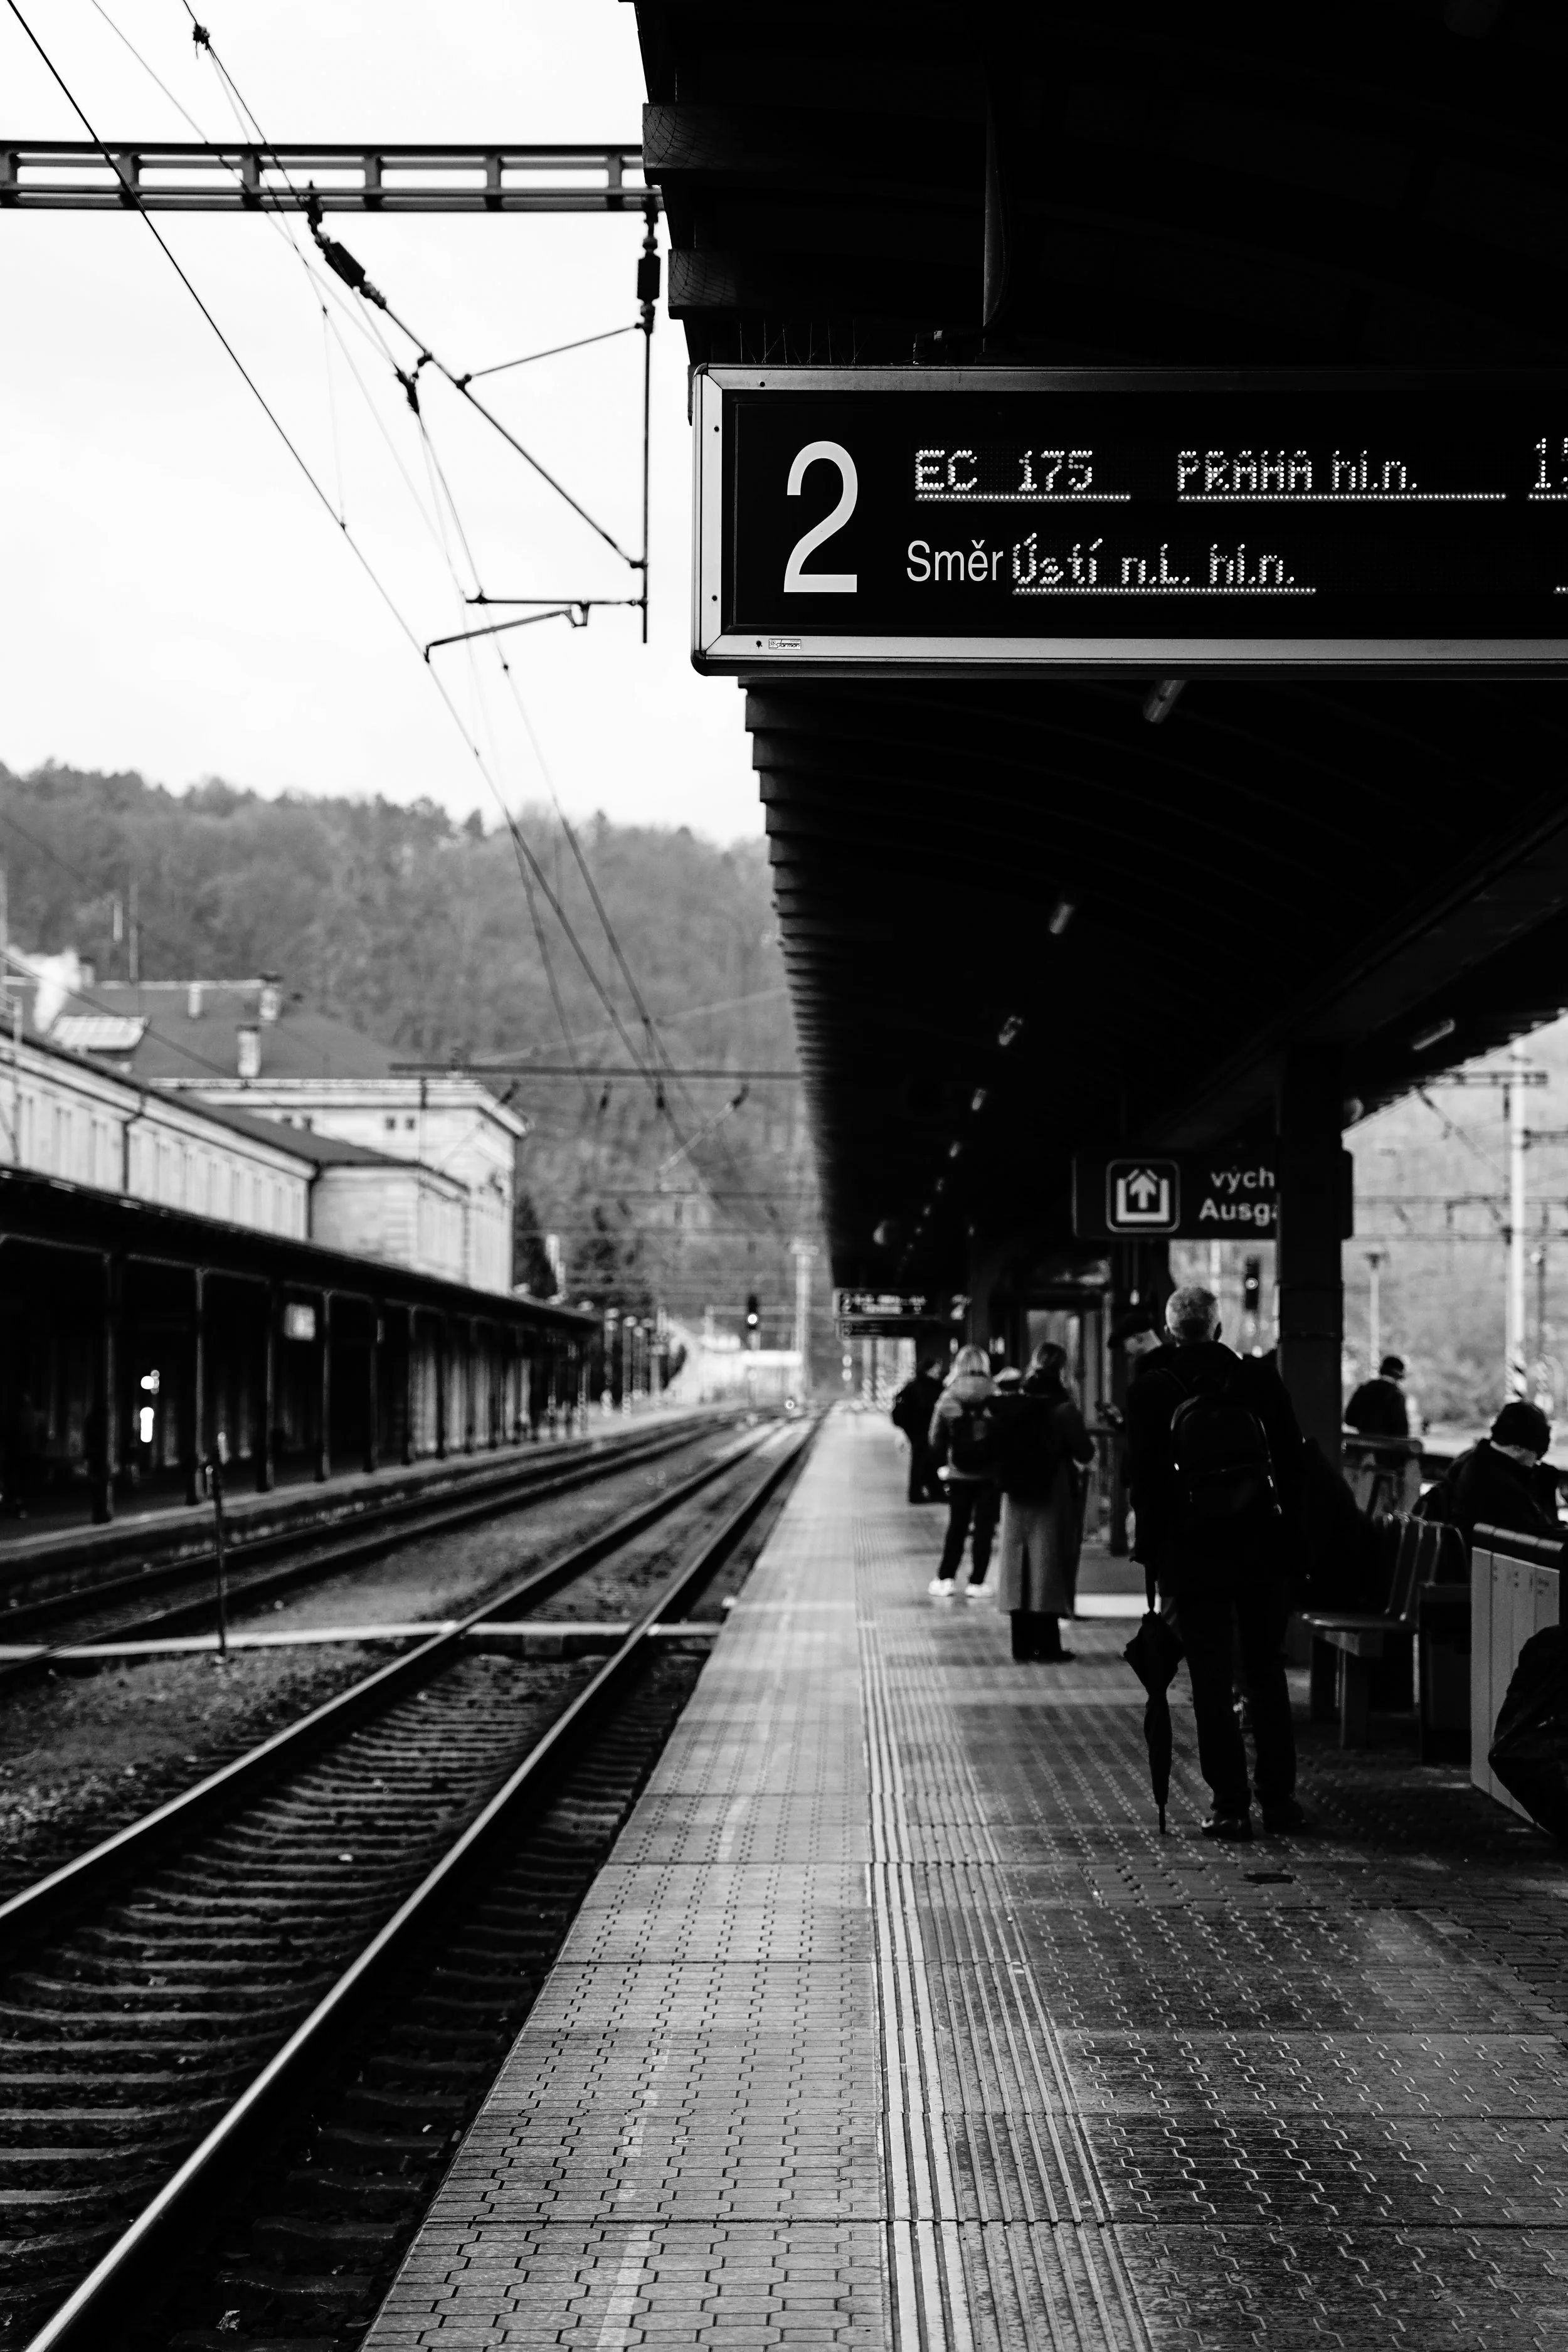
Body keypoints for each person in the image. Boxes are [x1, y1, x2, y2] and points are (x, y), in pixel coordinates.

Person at [1125, 1284, 1306, 1841]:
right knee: (1265, 1669)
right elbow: (1292, 1461)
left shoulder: (1153, 1388)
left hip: (1192, 1550)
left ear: (1171, 1331)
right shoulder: (1259, 1380)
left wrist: (1151, 1551)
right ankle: (1279, 1799)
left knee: (1210, 1674)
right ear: (1219, 1328)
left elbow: (1143, 1480)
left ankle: (1230, 1805)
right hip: (1261, 1546)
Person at [995, 1340, 1095, 1660]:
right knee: (1048, 1562)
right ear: (1062, 1369)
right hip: (1052, 1490)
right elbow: (1085, 1452)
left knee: (1017, 1564)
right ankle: (1048, 1646)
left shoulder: (1015, 1401)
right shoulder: (1063, 1408)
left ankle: (1021, 1645)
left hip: (1015, 1492)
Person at [928, 1344, 1001, 1597]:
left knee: (957, 1527)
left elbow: (935, 1438)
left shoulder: (949, 1397)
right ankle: (977, 1582)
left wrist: (944, 1461)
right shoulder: (997, 1395)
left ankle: (946, 1579)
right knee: (984, 1529)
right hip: (990, 1474)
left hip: (959, 1473)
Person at [1438, 1400, 1560, 1546]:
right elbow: (1543, 1540)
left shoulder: (1468, 1460)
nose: (1537, 1462)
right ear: (1518, 1448)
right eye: (1539, 1455)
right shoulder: (1502, 1485)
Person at [890, 1359, 945, 1503]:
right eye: (936, 1369)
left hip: (914, 1430)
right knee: (923, 1461)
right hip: (924, 1429)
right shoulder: (930, 1387)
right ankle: (920, 1494)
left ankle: (928, 1492)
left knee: (924, 1461)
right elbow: (928, 1408)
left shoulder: (913, 1385)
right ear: (929, 1370)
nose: (938, 1372)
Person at [1345, 1355, 1412, 1438]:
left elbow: (1349, 1419)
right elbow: (1402, 1430)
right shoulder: (1396, 1395)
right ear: (1399, 1374)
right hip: (1387, 1444)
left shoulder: (1364, 1389)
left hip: (1362, 1442)